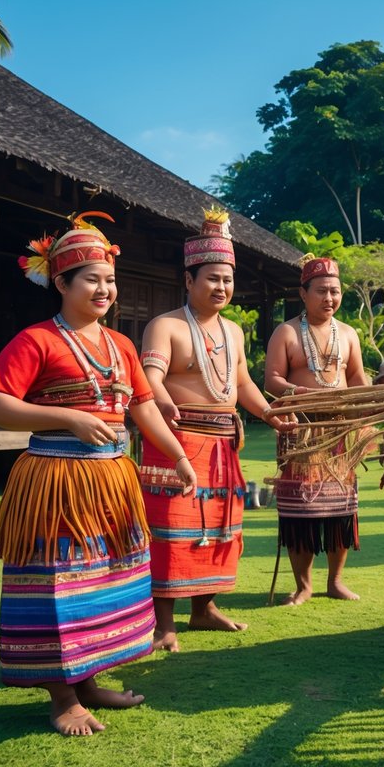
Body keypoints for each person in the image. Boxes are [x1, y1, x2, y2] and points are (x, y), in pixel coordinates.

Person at [0, 212, 197, 736]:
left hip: (112, 480)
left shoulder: (121, 346)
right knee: (59, 581)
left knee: (109, 577)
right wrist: (68, 417)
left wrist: (179, 457)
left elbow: (143, 409)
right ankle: (61, 697)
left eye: (110, 279)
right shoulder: (36, 341)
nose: (105, 289)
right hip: (54, 481)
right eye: (92, 280)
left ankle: (92, 679)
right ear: (61, 283)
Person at [137, 209, 293, 652]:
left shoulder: (235, 332)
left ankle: (204, 608)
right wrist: (162, 398)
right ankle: (163, 621)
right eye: (211, 278)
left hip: (224, 442)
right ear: (189, 280)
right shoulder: (164, 325)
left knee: (221, 527)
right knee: (170, 529)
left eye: (227, 279)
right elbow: (151, 375)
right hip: (175, 438)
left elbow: (242, 384)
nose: (221, 287)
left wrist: (269, 413)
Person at [264, 256, 369, 605]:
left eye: (335, 291)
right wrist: (297, 393)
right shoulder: (287, 332)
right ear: (303, 293)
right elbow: (272, 380)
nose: (329, 298)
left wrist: (367, 415)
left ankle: (335, 582)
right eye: (322, 291)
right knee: (301, 513)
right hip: (300, 431)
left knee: (341, 509)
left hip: (339, 432)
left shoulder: (349, 334)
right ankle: (303, 586)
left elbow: (357, 380)